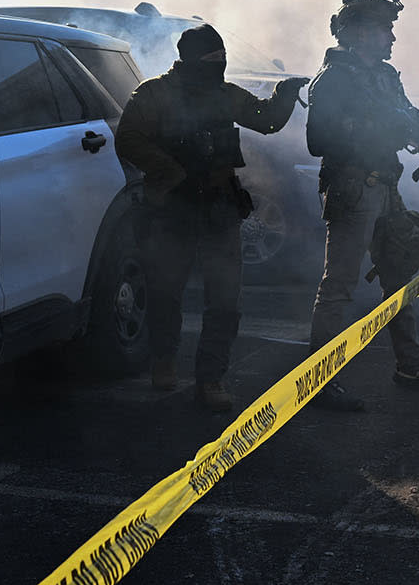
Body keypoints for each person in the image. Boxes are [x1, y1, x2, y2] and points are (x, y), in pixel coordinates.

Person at [115, 23, 307, 412]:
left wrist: (284, 94)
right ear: (190, 59)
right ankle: (164, 361)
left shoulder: (225, 94)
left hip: (219, 207)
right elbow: (129, 138)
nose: (219, 64)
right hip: (172, 208)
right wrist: (170, 172)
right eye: (211, 58)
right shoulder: (154, 94)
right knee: (166, 293)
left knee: (224, 300)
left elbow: (265, 120)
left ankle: (211, 378)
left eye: (222, 58)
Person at [303, 0, 419, 412]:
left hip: (386, 185)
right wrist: (377, 130)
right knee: (339, 286)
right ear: (358, 33)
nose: (392, 37)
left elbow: (404, 118)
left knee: (400, 277)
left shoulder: (386, 76)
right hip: (353, 187)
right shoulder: (333, 79)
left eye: (391, 28)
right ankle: (318, 381)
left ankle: (410, 364)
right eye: (383, 29)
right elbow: (318, 141)